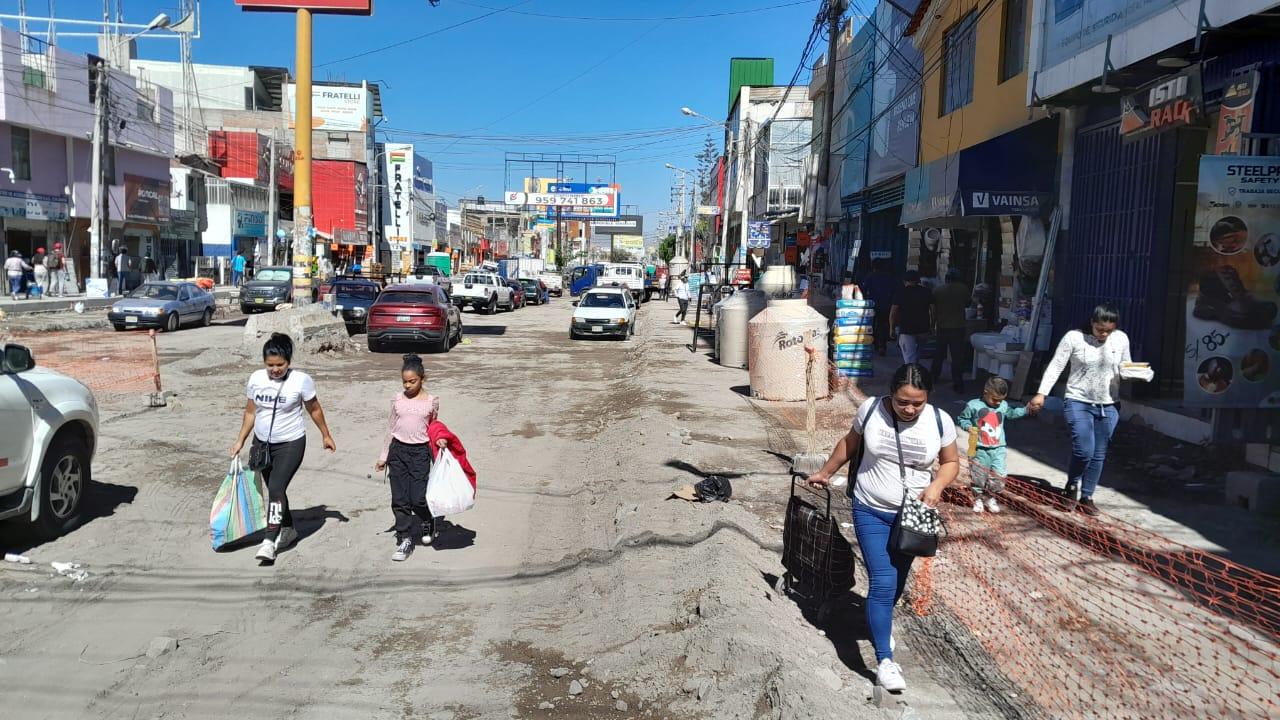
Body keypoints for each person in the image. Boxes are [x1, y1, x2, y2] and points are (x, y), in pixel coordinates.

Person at [807, 364, 960, 692]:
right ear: (891, 393)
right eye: (903, 401)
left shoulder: (939, 421)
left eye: (917, 403)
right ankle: (885, 660)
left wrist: (937, 487)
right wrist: (825, 472)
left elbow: (950, 462)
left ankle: (879, 622)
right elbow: (849, 444)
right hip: (870, 508)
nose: (909, 409)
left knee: (895, 583)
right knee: (883, 579)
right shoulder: (872, 409)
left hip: (912, 518)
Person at [230, 333, 337, 563]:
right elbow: (250, 411)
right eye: (270, 365)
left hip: (291, 443)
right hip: (262, 444)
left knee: (277, 487)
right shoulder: (256, 378)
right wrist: (240, 439)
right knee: (275, 490)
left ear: (288, 362)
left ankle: (269, 541)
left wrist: (325, 435)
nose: (275, 369)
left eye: (280, 365)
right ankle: (288, 528)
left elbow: (314, 409)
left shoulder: (301, 380)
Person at [1026, 304, 1130, 516]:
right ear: (1092, 322)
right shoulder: (1073, 338)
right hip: (1078, 400)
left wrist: (1134, 374)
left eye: (1109, 330)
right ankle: (1072, 486)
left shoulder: (1120, 339)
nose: (1104, 334)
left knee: (1099, 453)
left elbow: (1125, 366)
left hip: (1109, 403)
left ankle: (1087, 496)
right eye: (1100, 328)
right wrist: (1041, 393)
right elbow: (1056, 366)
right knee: (1084, 449)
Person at [374, 353, 443, 562]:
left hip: (420, 453)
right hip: (398, 452)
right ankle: (404, 538)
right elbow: (391, 427)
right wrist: (383, 456)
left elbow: (433, 427)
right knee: (400, 499)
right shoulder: (397, 400)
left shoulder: (432, 402)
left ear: (423, 379)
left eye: (412, 381)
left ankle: (428, 519)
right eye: (404, 381)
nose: (407, 386)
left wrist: (439, 443)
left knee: (418, 498)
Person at [957, 376, 1029, 513]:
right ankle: (977, 497)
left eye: (1001, 400)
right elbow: (962, 419)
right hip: (978, 448)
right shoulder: (973, 405)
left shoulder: (1003, 405)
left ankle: (990, 496)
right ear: (985, 393)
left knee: (999, 476)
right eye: (995, 400)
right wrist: (968, 427)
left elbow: (1011, 413)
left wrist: (1025, 410)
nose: (998, 403)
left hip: (998, 448)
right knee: (978, 476)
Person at [931, 268, 971, 393]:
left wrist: (932, 324)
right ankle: (957, 382)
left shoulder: (938, 290)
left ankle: (933, 377)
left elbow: (933, 308)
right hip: (958, 327)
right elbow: (968, 304)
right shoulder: (963, 289)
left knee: (939, 354)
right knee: (957, 356)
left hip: (942, 326)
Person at [888, 270, 934, 366]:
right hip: (923, 329)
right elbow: (933, 311)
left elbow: (893, 312)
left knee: (909, 358)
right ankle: (915, 375)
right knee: (917, 356)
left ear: (904, 281)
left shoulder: (900, 292)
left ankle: (912, 378)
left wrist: (891, 328)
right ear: (918, 280)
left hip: (906, 329)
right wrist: (932, 325)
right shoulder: (926, 292)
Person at [861, 259, 896, 356]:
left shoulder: (870, 276)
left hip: (872, 305)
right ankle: (882, 346)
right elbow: (895, 291)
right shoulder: (890, 277)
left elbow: (863, 290)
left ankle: (873, 344)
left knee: (871, 325)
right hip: (886, 305)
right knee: (883, 325)